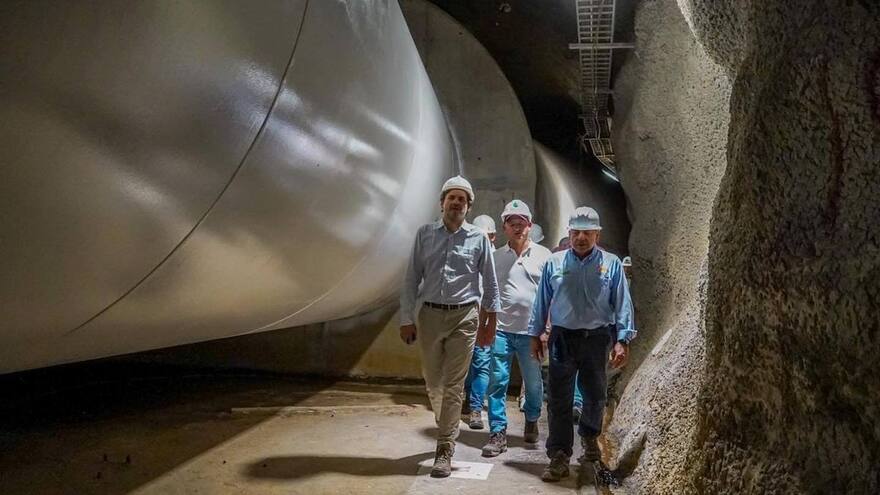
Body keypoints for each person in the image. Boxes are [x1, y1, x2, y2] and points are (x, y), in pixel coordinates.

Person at [399, 175, 501, 478]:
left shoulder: (478, 239)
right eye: (451, 197)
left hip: (464, 317)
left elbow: (491, 284)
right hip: (429, 315)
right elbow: (410, 278)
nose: (456, 203)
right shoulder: (425, 234)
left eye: (462, 199)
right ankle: (447, 424)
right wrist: (406, 318)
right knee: (434, 382)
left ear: (468, 206)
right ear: (442, 202)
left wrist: (489, 323)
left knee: (455, 384)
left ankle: (445, 447)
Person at [528, 206, 635, 482]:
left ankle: (589, 439)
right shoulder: (555, 263)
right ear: (569, 233)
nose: (581, 238)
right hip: (563, 338)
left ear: (597, 234)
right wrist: (535, 334)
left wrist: (622, 339)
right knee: (559, 399)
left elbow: (622, 302)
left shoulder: (611, 264)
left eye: (587, 233)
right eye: (576, 232)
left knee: (595, 395)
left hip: (597, 338)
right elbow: (541, 301)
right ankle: (560, 455)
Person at [480, 200, 552, 457]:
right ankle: (497, 432)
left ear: (529, 226)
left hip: (531, 333)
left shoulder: (545, 256)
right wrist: (486, 325)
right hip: (501, 330)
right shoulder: (496, 257)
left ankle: (531, 418)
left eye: (522, 223)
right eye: (512, 224)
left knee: (533, 385)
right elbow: (489, 293)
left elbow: (551, 295)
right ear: (505, 227)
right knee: (497, 381)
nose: (518, 227)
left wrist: (546, 328)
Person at [462, 213, 497, 429]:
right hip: (465, 318)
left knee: (482, 365)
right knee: (464, 365)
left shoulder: (498, 258)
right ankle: (468, 398)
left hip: (484, 319)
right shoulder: (467, 256)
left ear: (493, 237)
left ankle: (475, 407)